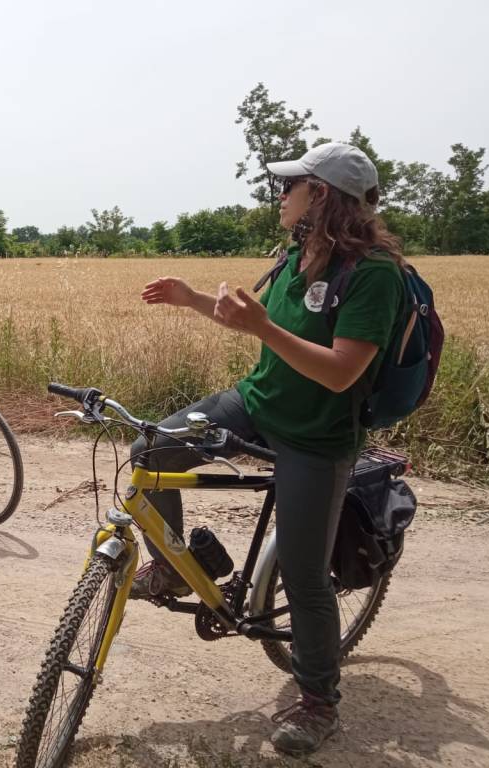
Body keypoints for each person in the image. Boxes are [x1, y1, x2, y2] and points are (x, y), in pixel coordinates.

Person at [131, 143, 404, 756]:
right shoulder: (296, 254)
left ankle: (317, 701)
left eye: (292, 185)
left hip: (317, 436)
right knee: (151, 451)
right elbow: (254, 323)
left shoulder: (374, 274)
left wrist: (260, 327)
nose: (281, 195)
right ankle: (176, 567)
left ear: (323, 195)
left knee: (306, 575)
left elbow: (340, 373)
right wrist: (194, 298)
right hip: (255, 404)